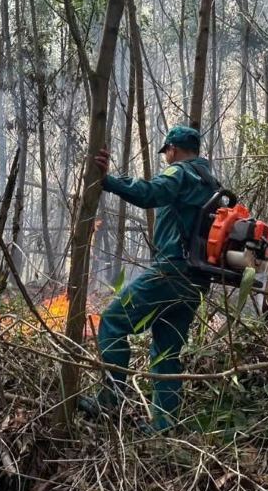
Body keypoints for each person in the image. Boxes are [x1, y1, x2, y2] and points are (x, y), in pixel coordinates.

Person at [84, 125, 217, 432]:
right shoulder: (211, 182)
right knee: (167, 349)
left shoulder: (180, 173)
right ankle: (163, 424)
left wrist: (108, 181)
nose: (166, 157)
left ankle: (109, 400)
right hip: (197, 281)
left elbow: (149, 194)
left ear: (172, 149)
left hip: (171, 270)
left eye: (167, 152)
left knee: (114, 320)